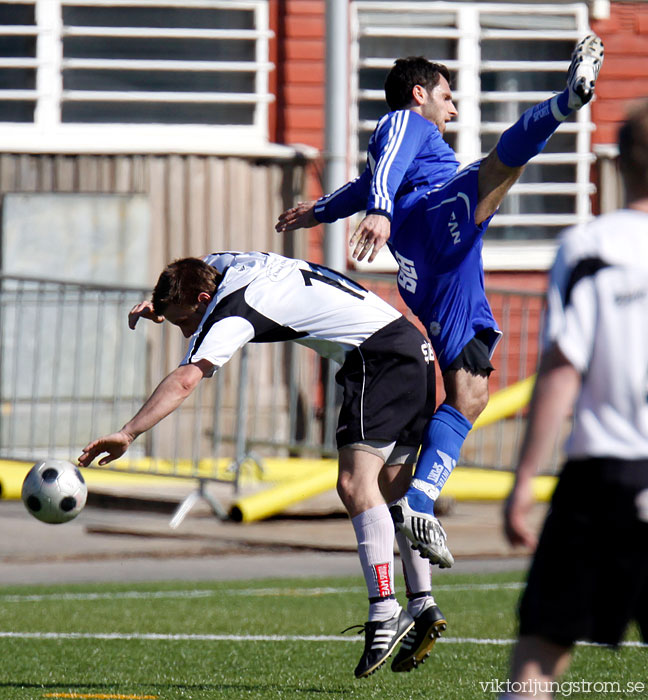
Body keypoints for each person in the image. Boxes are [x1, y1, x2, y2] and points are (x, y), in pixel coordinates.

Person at [275, 35, 604, 567]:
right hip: (434, 220)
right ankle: (567, 100)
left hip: (436, 275)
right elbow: (381, 181)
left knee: (470, 394)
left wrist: (320, 211)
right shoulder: (406, 122)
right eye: (447, 97)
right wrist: (380, 210)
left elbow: (369, 181)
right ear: (419, 93)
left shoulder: (398, 147)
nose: (452, 108)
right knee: (500, 167)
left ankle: (421, 502)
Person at [78, 251, 446, 678]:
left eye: (183, 321)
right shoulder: (225, 265)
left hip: (376, 359)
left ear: (203, 297)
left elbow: (185, 380)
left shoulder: (232, 313)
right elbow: (196, 266)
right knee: (393, 492)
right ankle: (422, 602)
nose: (184, 332)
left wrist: (128, 433)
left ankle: (384, 610)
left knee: (355, 485)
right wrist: (159, 306)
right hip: (413, 350)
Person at [499, 101, 648, 700]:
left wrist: (525, 478)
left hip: (602, 476)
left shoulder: (590, 246)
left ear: (615, 164)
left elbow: (564, 366)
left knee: (538, 653)